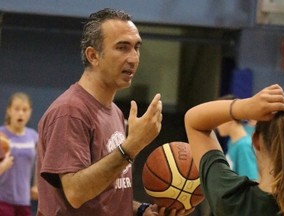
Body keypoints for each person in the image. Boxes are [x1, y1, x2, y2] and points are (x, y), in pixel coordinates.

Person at [36, 8, 189, 216]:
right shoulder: (70, 111)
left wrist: (142, 210)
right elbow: (76, 192)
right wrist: (133, 145)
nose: (134, 58)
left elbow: (107, 196)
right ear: (93, 56)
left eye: (136, 48)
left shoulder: (115, 112)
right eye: (122, 48)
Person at [184, 84, 284, 216]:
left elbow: (194, 121)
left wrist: (244, 107)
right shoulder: (234, 144)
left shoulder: (234, 201)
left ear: (255, 141)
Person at [0, 92, 38, 216]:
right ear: (9, 111)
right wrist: (2, 167)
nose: (21, 113)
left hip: (23, 200)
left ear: (30, 112)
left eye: (24, 109)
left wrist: (36, 185)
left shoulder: (33, 136)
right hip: (3, 199)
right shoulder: (1, 135)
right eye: (17, 109)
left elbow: (39, 162)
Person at [216, 94, 258, 180]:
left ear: (230, 119)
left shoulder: (244, 146)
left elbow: (251, 182)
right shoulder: (232, 142)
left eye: (218, 118)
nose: (216, 125)